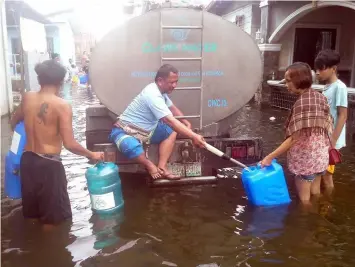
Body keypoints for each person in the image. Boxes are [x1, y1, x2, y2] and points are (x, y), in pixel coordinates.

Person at [10, 60, 104, 228]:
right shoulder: (62, 105)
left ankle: (31, 248)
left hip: (27, 161)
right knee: (52, 220)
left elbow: (14, 122)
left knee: (32, 214)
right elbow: (70, 144)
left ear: (39, 80)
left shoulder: (27, 98)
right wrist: (92, 154)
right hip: (48, 165)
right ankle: (50, 250)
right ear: (61, 81)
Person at [109, 64, 206, 180]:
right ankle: (149, 165)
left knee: (171, 131)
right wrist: (193, 136)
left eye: (176, 82)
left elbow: (172, 109)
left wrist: (186, 122)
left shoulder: (162, 93)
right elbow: (169, 120)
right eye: (172, 82)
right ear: (160, 80)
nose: (175, 85)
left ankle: (162, 167)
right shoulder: (152, 94)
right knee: (130, 146)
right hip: (125, 130)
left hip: (147, 131)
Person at [261, 62, 333, 204]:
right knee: (316, 193)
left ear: (299, 80)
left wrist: (270, 157)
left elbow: (294, 138)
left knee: (304, 202)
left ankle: (307, 223)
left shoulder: (302, 104)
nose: (286, 85)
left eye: (288, 81)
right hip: (320, 157)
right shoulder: (319, 97)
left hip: (305, 161)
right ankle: (321, 221)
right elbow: (328, 125)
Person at [314, 49, 348, 193]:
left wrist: (333, 141)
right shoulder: (328, 87)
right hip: (325, 137)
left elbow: (343, 115)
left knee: (327, 175)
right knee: (322, 172)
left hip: (331, 140)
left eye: (321, 69)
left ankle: (328, 205)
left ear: (333, 69)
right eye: (317, 69)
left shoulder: (340, 87)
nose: (317, 72)